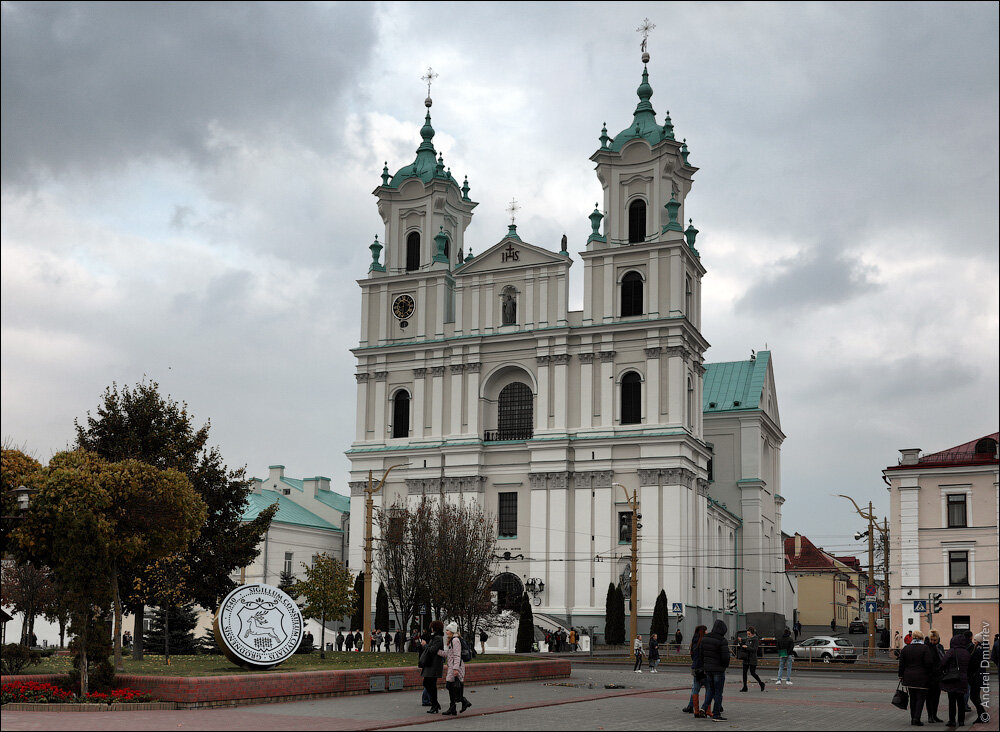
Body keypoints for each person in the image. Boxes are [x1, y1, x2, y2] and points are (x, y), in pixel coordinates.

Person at [898, 629, 939, 725]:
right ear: (922, 638)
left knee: (912, 698)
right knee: (920, 699)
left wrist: (901, 675)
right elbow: (929, 663)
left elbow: (901, 664)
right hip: (922, 677)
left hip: (909, 677)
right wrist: (930, 674)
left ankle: (913, 718)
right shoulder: (925, 648)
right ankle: (917, 718)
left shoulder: (906, 648)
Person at [700, 619, 731, 721]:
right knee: (718, 692)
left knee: (710, 690)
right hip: (718, 670)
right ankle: (716, 714)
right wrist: (724, 666)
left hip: (708, 669)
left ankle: (704, 707)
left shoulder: (705, 638)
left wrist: (705, 665)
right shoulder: (722, 641)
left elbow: (701, 654)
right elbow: (725, 657)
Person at [439, 621, 472, 716]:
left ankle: (461, 702)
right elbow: (449, 654)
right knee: (451, 687)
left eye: (448, 630)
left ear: (452, 631)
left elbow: (457, 655)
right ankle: (455, 706)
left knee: (450, 686)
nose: (446, 632)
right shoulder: (452, 640)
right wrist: (437, 651)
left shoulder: (455, 640)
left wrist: (455, 669)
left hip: (455, 668)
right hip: (453, 667)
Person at [940, 634, 971, 729]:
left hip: (952, 679)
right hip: (963, 679)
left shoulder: (952, 651)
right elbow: (970, 666)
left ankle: (952, 721)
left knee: (952, 701)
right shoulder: (966, 652)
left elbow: (943, 662)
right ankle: (961, 721)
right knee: (961, 701)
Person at [418, 620, 446, 713]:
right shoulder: (434, 637)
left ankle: (434, 704)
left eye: (432, 627)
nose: (431, 629)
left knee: (430, 684)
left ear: (435, 628)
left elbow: (433, 650)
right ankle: (435, 704)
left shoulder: (438, 638)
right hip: (430, 664)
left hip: (434, 665)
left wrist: (425, 645)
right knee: (427, 683)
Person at [682, 625, 708, 716]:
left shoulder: (694, 641)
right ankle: (707, 708)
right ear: (703, 631)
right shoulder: (704, 641)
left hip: (695, 667)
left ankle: (692, 707)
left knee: (695, 688)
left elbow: (692, 655)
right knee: (709, 688)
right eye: (706, 630)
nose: (707, 632)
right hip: (704, 668)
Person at [966, 632, 988, 723]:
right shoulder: (983, 649)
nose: (973, 641)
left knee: (974, 697)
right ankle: (983, 716)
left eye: (975, 640)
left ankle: (983, 716)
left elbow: (973, 664)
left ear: (978, 641)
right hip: (980, 676)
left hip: (976, 677)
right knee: (975, 697)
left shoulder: (978, 650)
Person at [925, 630, 945, 723]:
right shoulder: (927, 647)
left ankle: (935, 715)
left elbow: (943, 658)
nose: (933, 642)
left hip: (938, 675)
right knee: (929, 697)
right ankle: (930, 716)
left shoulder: (940, 647)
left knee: (936, 696)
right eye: (931, 640)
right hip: (929, 675)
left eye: (935, 640)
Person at [739, 627, 765, 692]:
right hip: (746, 658)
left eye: (749, 634)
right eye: (747, 634)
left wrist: (747, 647)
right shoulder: (748, 638)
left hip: (752, 658)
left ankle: (761, 683)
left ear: (753, 633)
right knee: (744, 673)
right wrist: (741, 643)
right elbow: (744, 646)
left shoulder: (756, 639)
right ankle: (745, 687)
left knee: (752, 673)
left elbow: (755, 649)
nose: (748, 635)